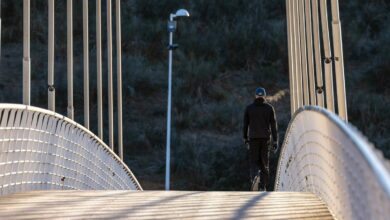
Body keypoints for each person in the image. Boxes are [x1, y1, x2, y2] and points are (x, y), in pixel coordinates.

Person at [243, 87, 278, 191]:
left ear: (255, 96)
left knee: (254, 161)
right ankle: (263, 185)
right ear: (264, 96)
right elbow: (273, 126)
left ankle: (254, 178)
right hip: (265, 139)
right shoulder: (269, 108)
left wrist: (245, 138)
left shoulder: (249, 108)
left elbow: (245, 125)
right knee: (264, 163)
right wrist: (275, 140)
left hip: (253, 138)